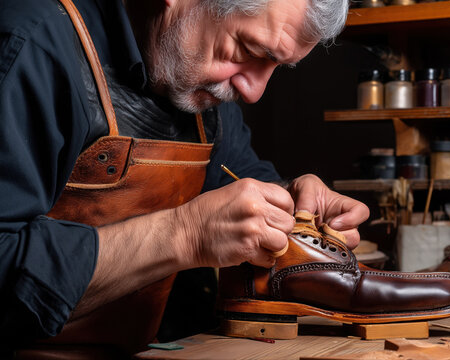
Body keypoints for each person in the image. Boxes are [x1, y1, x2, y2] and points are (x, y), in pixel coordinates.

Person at [0, 0, 369, 355]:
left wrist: (294, 201)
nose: (254, 92)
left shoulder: (195, 84)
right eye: (248, 49)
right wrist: (186, 233)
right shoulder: (32, 43)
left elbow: (238, 179)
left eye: (276, 66)